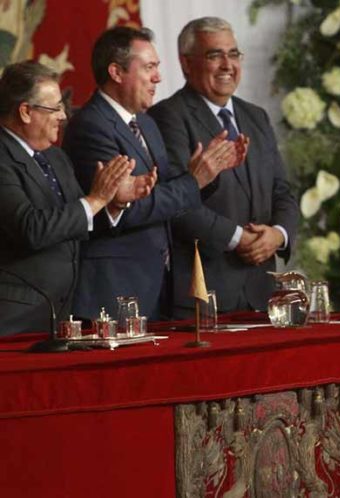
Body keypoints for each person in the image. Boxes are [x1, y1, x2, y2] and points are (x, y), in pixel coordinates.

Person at [63, 26, 246, 320]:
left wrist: (206, 174)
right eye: (149, 67)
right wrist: (193, 179)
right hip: (113, 291)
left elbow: (170, 191)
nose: (158, 77)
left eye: (157, 67)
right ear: (116, 72)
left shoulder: (146, 123)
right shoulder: (91, 126)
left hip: (158, 286)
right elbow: (126, 208)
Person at [149, 17, 299, 316]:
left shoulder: (255, 116)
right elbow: (175, 203)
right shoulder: (168, 117)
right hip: (204, 295)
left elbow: (282, 190)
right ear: (186, 64)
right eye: (214, 55)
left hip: (262, 293)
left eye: (233, 54)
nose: (227, 65)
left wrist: (278, 234)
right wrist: (237, 238)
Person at [0, 61, 136, 335]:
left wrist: (113, 204)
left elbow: (77, 223)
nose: (64, 115)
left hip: (60, 315)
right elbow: (31, 228)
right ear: (25, 112)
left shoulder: (56, 157)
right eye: (55, 108)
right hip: (14, 318)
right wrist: (96, 199)